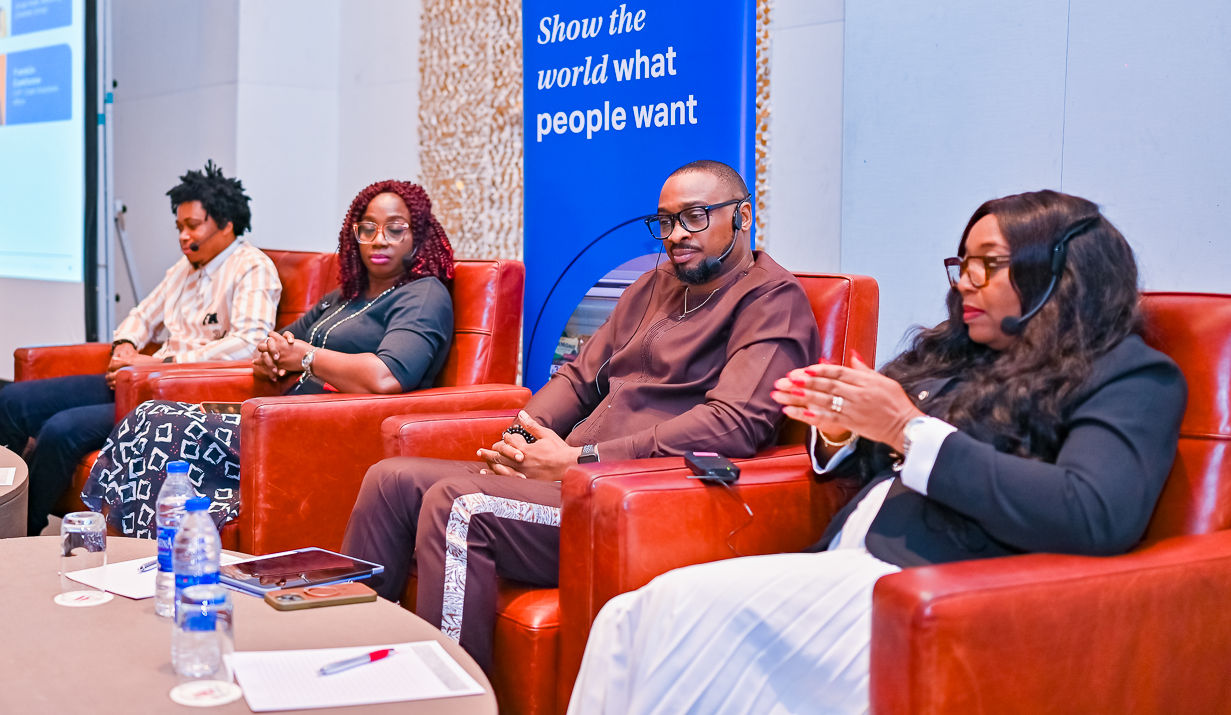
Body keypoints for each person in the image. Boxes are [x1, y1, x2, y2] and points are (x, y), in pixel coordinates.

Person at [566, 190, 1188, 715]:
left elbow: (1093, 514)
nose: (965, 282)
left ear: (1060, 275)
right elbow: (882, 445)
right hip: (850, 562)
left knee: (677, 615)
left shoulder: (1130, 375)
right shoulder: (953, 353)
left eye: (989, 265)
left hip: (939, 590)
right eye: (963, 263)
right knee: (626, 618)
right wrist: (840, 430)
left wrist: (908, 429)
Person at [342, 160, 820, 674]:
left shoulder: (772, 300)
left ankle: (448, 699)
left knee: (460, 505)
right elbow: (578, 377)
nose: (677, 234)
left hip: (633, 499)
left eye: (695, 217)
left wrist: (582, 460)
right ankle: (351, 664)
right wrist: (522, 437)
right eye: (666, 221)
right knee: (390, 480)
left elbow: (734, 423)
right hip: (571, 476)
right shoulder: (654, 284)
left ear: (742, 216)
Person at [81, 179, 457, 536]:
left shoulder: (423, 295)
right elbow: (282, 340)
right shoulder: (346, 296)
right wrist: (270, 355)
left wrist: (305, 357)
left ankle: (160, 551)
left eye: (395, 229)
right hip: (282, 416)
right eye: (368, 229)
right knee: (149, 415)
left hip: (327, 434)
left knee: (161, 422)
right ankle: (139, 548)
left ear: (418, 235)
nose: (379, 239)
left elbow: (387, 377)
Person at [0, 162, 280, 537]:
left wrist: (162, 363)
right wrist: (125, 346)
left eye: (193, 226)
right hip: (138, 379)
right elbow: (142, 316)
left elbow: (248, 345)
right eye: (179, 226)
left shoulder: (252, 268)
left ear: (226, 224)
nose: (183, 236)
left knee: (60, 429)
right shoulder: (185, 268)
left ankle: (14, 532)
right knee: (12, 401)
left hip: (177, 396)